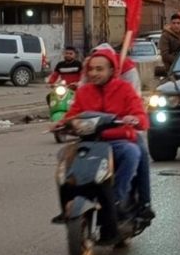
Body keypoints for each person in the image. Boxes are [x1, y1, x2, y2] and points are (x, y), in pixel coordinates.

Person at [51, 48, 150, 241]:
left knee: (131, 152)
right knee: (64, 157)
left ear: (112, 70)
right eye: (91, 69)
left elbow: (140, 116)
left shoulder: (124, 89)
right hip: (91, 142)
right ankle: (69, 202)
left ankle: (117, 197)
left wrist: (133, 118)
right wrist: (61, 123)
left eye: (100, 69)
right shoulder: (84, 91)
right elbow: (74, 113)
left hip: (118, 140)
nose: (94, 73)